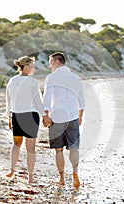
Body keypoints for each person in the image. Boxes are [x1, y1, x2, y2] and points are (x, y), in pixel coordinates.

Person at [43, 52, 85, 189]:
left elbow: (47, 99)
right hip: (72, 116)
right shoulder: (75, 77)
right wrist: (80, 115)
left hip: (57, 118)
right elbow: (81, 100)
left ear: (57, 62)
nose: (49, 65)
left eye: (50, 62)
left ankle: (61, 179)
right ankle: (75, 172)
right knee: (74, 147)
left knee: (59, 150)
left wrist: (46, 116)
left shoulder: (51, 78)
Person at [5, 55, 50, 184]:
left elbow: (9, 101)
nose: (34, 68)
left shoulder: (12, 81)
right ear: (25, 67)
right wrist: (44, 116)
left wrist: (9, 117)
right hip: (30, 116)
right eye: (32, 65)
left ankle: (12, 170)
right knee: (30, 148)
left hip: (16, 116)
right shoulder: (32, 82)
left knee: (16, 144)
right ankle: (30, 177)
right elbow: (38, 101)